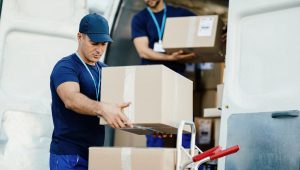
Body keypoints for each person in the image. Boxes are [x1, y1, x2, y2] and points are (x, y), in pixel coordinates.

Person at [49, 13, 132, 170]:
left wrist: (154, 127)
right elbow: (71, 99)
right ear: (80, 37)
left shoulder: (106, 71)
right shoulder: (66, 66)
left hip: (94, 155)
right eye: (94, 43)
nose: (99, 50)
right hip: (68, 155)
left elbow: (127, 105)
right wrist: (102, 108)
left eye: (103, 44)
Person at [131, 0, 196, 147]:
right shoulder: (140, 18)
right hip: (152, 78)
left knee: (184, 125)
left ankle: (190, 163)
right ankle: (155, 162)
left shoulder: (180, 14)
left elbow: (202, 28)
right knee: (154, 127)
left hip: (177, 77)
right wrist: (170, 57)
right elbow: (143, 51)